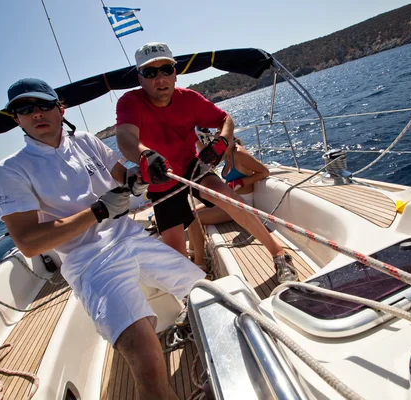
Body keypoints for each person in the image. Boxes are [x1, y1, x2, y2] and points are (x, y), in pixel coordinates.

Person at [0, 78, 205, 400]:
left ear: (60, 108)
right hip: (90, 262)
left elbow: (122, 175)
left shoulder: (87, 141)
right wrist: (97, 212)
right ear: (15, 119)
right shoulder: (10, 170)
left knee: (209, 295)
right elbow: (29, 242)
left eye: (43, 105)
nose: (36, 113)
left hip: (132, 238)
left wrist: (141, 172)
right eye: (24, 108)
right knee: (146, 359)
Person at [115, 42, 298, 283]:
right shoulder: (130, 102)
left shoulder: (189, 99)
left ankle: (280, 255)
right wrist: (144, 154)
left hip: (191, 167)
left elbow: (225, 119)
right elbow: (125, 136)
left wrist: (223, 140)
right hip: (161, 178)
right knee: (175, 250)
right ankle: (192, 294)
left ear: (175, 72)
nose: (160, 78)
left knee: (232, 201)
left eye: (166, 70)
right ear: (140, 77)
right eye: (150, 73)